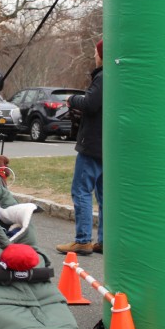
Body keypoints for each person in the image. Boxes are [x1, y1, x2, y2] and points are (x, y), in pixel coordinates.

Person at [56, 40, 104, 256]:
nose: (94, 56)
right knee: (103, 195)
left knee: (81, 190)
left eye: (96, 52)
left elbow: (91, 104)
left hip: (92, 145)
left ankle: (83, 240)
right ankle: (104, 240)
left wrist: (72, 99)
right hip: (106, 146)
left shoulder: (102, 77)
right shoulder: (118, 76)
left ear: (102, 55)